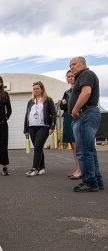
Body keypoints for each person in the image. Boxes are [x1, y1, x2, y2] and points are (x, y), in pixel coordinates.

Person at [68, 56, 104, 192]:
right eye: (70, 65)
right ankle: (97, 181)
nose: (71, 67)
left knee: (83, 151)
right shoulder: (83, 76)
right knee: (89, 150)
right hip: (87, 114)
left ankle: (90, 182)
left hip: (85, 114)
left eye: (74, 64)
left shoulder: (86, 74)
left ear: (83, 64)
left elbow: (86, 91)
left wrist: (75, 109)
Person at [24, 81, 56, 177]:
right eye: (34, 89)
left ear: (42, 89)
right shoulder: (30, 102)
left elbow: (54, 114)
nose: (35, 90)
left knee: (37, 146)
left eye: (37, 88)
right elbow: (27, 115)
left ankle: (34, 168)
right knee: (38, 148)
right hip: (32, 127)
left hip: (44, 126)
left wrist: (52, 127)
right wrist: (25, 129)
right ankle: (42, 167)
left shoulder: (48, 100)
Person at [60, 70, 81, 180]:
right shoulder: (67, 92)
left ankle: (81, 170)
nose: (71, 78)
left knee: (78, 145)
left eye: (72, 76)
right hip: (68, 118)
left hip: (77, 117)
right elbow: (62, 108)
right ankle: (78, 168)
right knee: (73, 145)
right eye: (69, 76)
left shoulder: (79, 90)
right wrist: (63, 103)